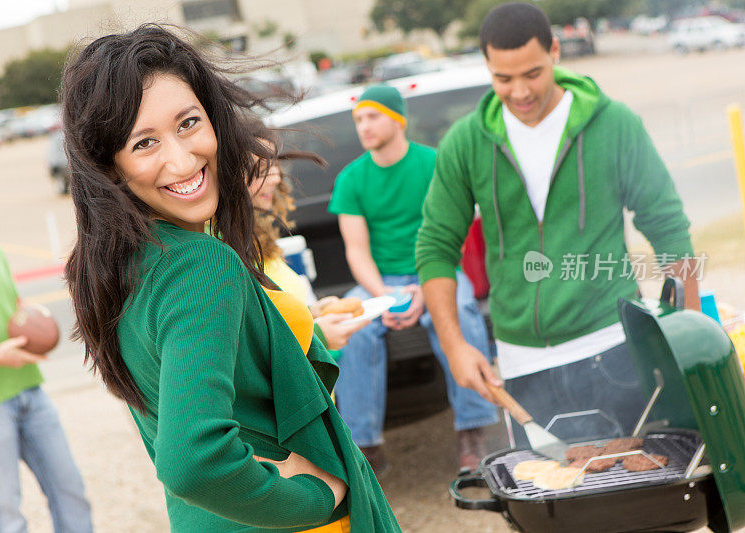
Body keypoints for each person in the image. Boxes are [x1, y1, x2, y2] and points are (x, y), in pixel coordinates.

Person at [60, 25, 400, 532]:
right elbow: (193, 461)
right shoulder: (196, 264)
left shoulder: (119, 265)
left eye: (189, 123)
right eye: (144, 142)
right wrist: (317, 496)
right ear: (110, 167)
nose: (181, 159)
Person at [415, 2, 700, 447]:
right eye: (502, 78)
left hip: (614, 347)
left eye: (532, 73)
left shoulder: (614, 124)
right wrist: (454, 346)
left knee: (636, 498)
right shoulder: (465, 142)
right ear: (487, 67)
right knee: (554, 504)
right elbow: (435, 245)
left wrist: (691, 328)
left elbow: (666, 225)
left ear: (555, 51)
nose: (520, 92)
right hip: (521, 364)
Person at [328, 84, 499, 475]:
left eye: (373, 116)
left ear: (398, 119)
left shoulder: (434, 164)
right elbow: (356, 250)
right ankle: (364, 445)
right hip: (381, 280)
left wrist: (426, 290)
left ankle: (473, 432)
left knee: (460, 312)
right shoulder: (352, 179)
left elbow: (452, 236)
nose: (364, 126)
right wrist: (384, 295)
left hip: (437, 270)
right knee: (351, 327)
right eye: (358, 120)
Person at [0, 163, 93, 533]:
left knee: (70, 490)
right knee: (6, 511)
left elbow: (14, 311)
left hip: (30, 389)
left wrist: (34, 320)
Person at [248, 144, 368, 352]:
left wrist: (313, 311)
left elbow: (279, 315)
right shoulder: (225, 251)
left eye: (275, 165)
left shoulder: (256, 238)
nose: (276, 177)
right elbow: (255, 341)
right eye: (261, 170)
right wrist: (318, 336)